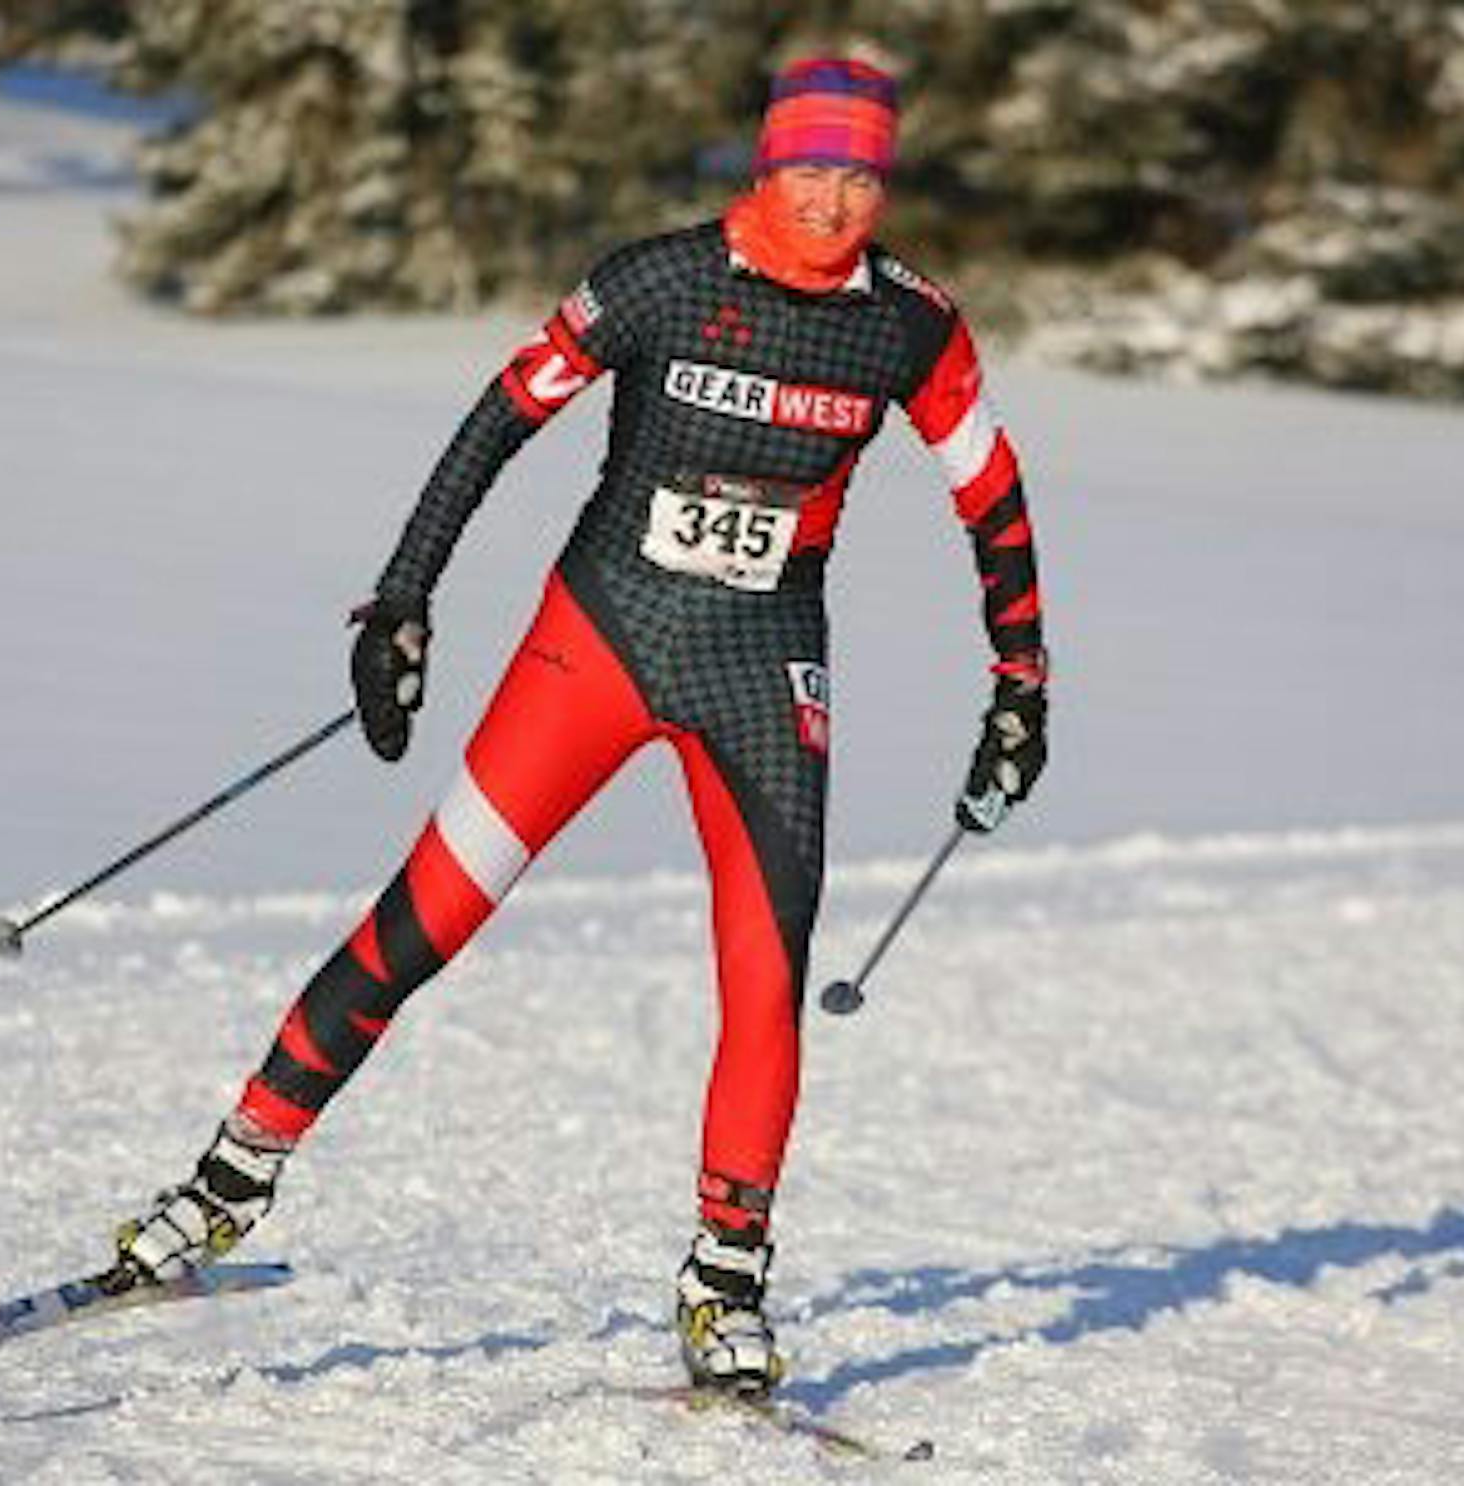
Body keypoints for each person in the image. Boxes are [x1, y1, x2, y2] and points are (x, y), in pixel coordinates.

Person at [112, 56, 1050, 1396]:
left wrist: (1022, 681)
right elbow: (498, 422)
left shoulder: (908, 325)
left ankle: (726, 1280)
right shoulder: (659, 280)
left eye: (858, 176)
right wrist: (404, 601)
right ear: (767, 164)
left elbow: (991, 493)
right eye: (809, 168)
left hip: (763, 666)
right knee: (425, 918)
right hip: (597, 643)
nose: (833, 201)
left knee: (768, 976)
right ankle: (227, 1179)